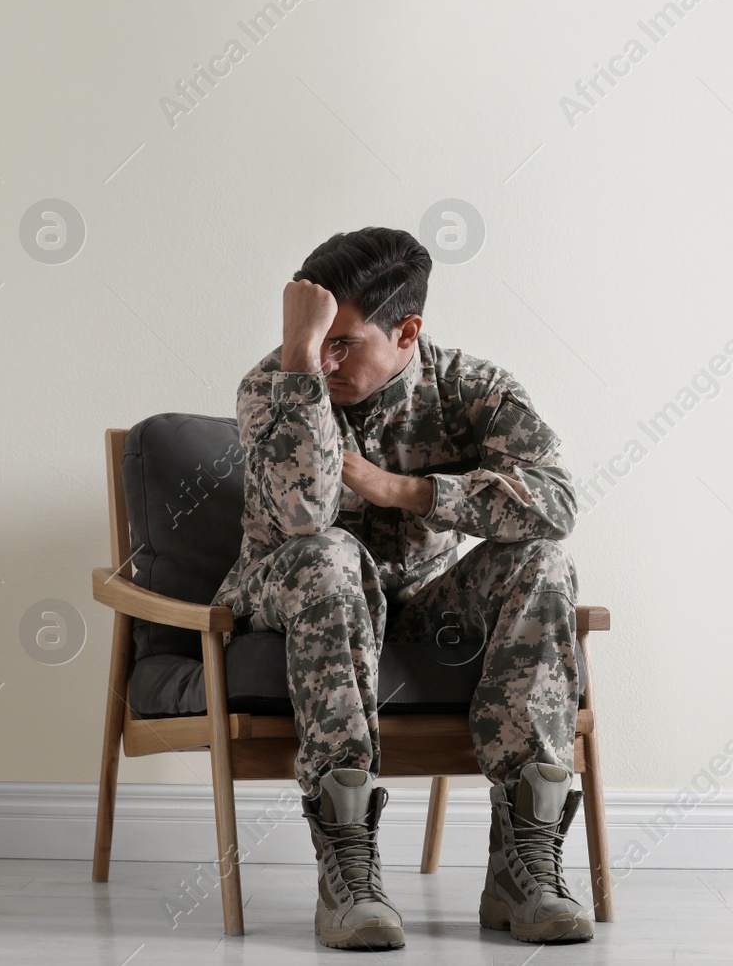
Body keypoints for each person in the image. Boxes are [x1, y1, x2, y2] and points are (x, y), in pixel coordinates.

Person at [210, 226, 594, 948]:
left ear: (408, 330)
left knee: (543, 561)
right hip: (289, 589)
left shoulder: (472, 389)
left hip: (422, 600)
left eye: (343, 342)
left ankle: (527, 863)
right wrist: (300, 360)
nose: (327, 360)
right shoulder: (276, 383)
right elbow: (298, 515)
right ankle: (348, 871)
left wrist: (411, 491)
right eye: (316, 338)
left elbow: (557, 503)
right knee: (329, 554)